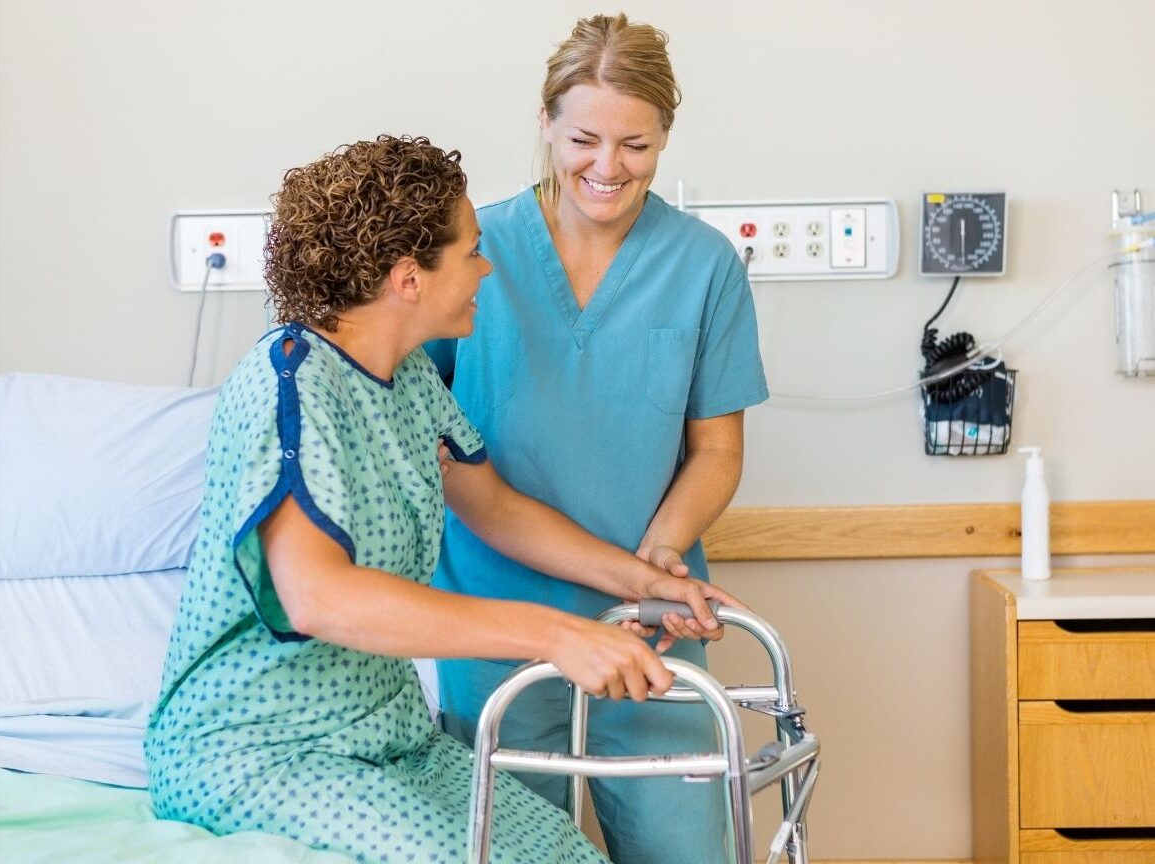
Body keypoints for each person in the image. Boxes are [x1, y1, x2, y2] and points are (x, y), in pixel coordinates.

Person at [144, 135, 741, 864]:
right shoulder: (291, 383)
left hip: (389, 740)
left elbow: (494, 507)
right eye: (471, 253)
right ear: (408, 278)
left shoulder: (409, 382)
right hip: (263, 752)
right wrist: (555, 635)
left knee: (565, 854)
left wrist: (644, 580)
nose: (487, 269)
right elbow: (316, 597)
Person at [425, 13, 769, 864]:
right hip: (495, 624)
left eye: (637, 146)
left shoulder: (703, 265)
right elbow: (433, 452)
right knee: (514, 850)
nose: (608, 168)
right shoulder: (474, 256)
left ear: (664, 139)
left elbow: (717, 450)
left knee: (689, 847)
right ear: (545, 124)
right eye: (584, 138)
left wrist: (658, 558)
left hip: (650, 624)